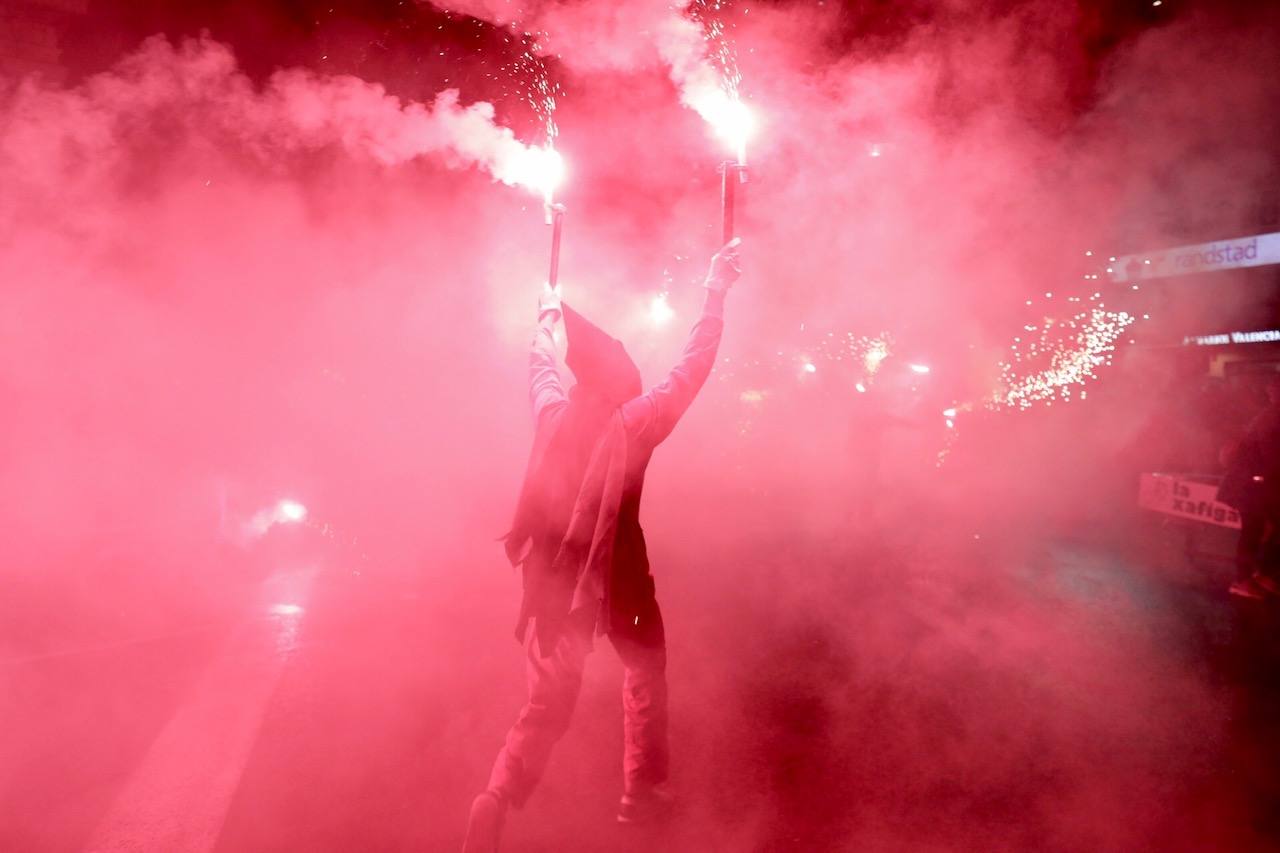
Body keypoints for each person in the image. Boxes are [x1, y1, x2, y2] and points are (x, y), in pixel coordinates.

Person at [462, 239, 743, 852]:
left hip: (552, 586)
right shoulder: (635, 423)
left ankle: (497, 794)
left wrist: (547, 313)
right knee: (645, 671)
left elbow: (540, 365)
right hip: (620, 582)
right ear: (621, 387)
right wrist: (715, 291)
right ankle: (640, 797)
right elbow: (692, 367)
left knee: (546, 705)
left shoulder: (554, 414)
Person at [1218, 373, 1280, 600]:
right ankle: (1245, 580)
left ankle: (1259, 575)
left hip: (1253, 484)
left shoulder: (1268, 415)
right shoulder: (1272, 417)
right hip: (1251, 485)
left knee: (1255, 530)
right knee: (1252, 531)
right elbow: (1271, 456)